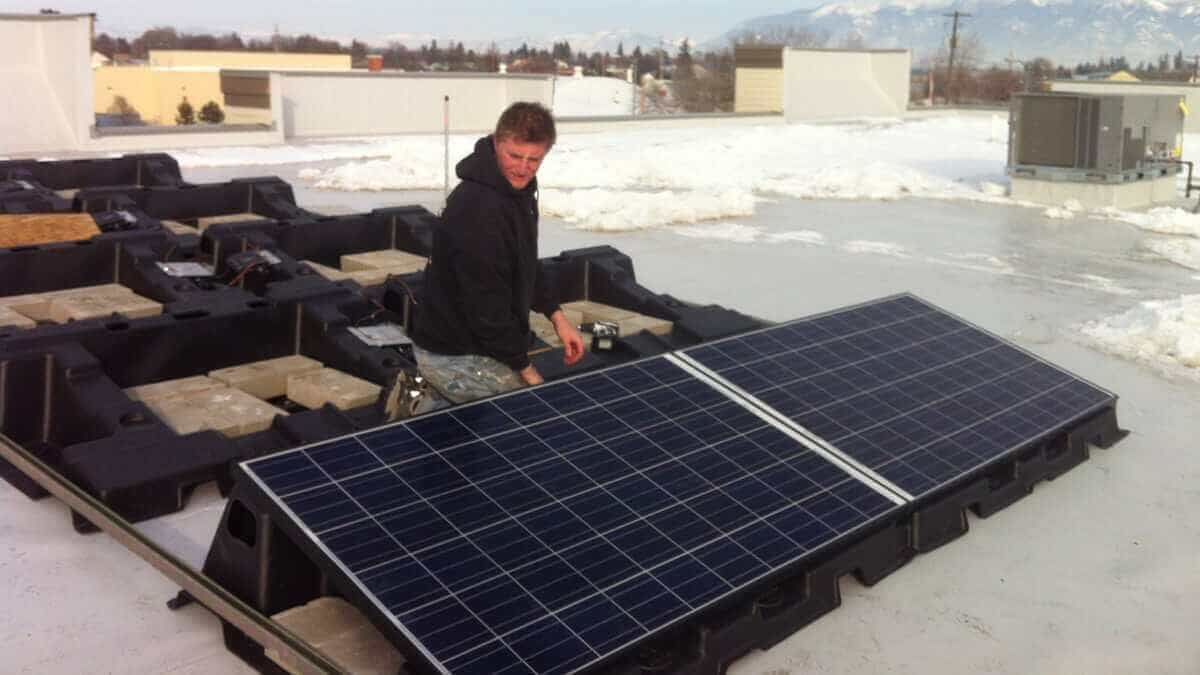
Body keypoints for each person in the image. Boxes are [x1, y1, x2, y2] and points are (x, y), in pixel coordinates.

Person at [409, 101, 584, 405]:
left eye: (534, 160)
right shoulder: (479, 208)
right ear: (496, 142)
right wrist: (526, 370)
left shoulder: (516, 190)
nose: (523, 168)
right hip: (455, 353)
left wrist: (557, 317)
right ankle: (430, 403)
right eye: (514, 155)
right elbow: (485, 308)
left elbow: (526, 261)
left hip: (482, 340)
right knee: (528, 415)